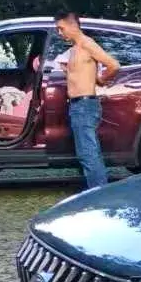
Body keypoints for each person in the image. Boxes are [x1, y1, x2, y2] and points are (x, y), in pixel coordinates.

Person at [53, 11, 120, 190]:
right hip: (78, 106)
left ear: (73, 25)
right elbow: (83, 75)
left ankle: (98, 195)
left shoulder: (87, 44)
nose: (60, 33)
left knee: (88, 154)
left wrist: (102, 79)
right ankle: (99, 191)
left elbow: (113, 64)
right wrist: (68, 70)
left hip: (84, 105)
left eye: (61, 28)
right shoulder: (75, 49)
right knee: (89, 153)